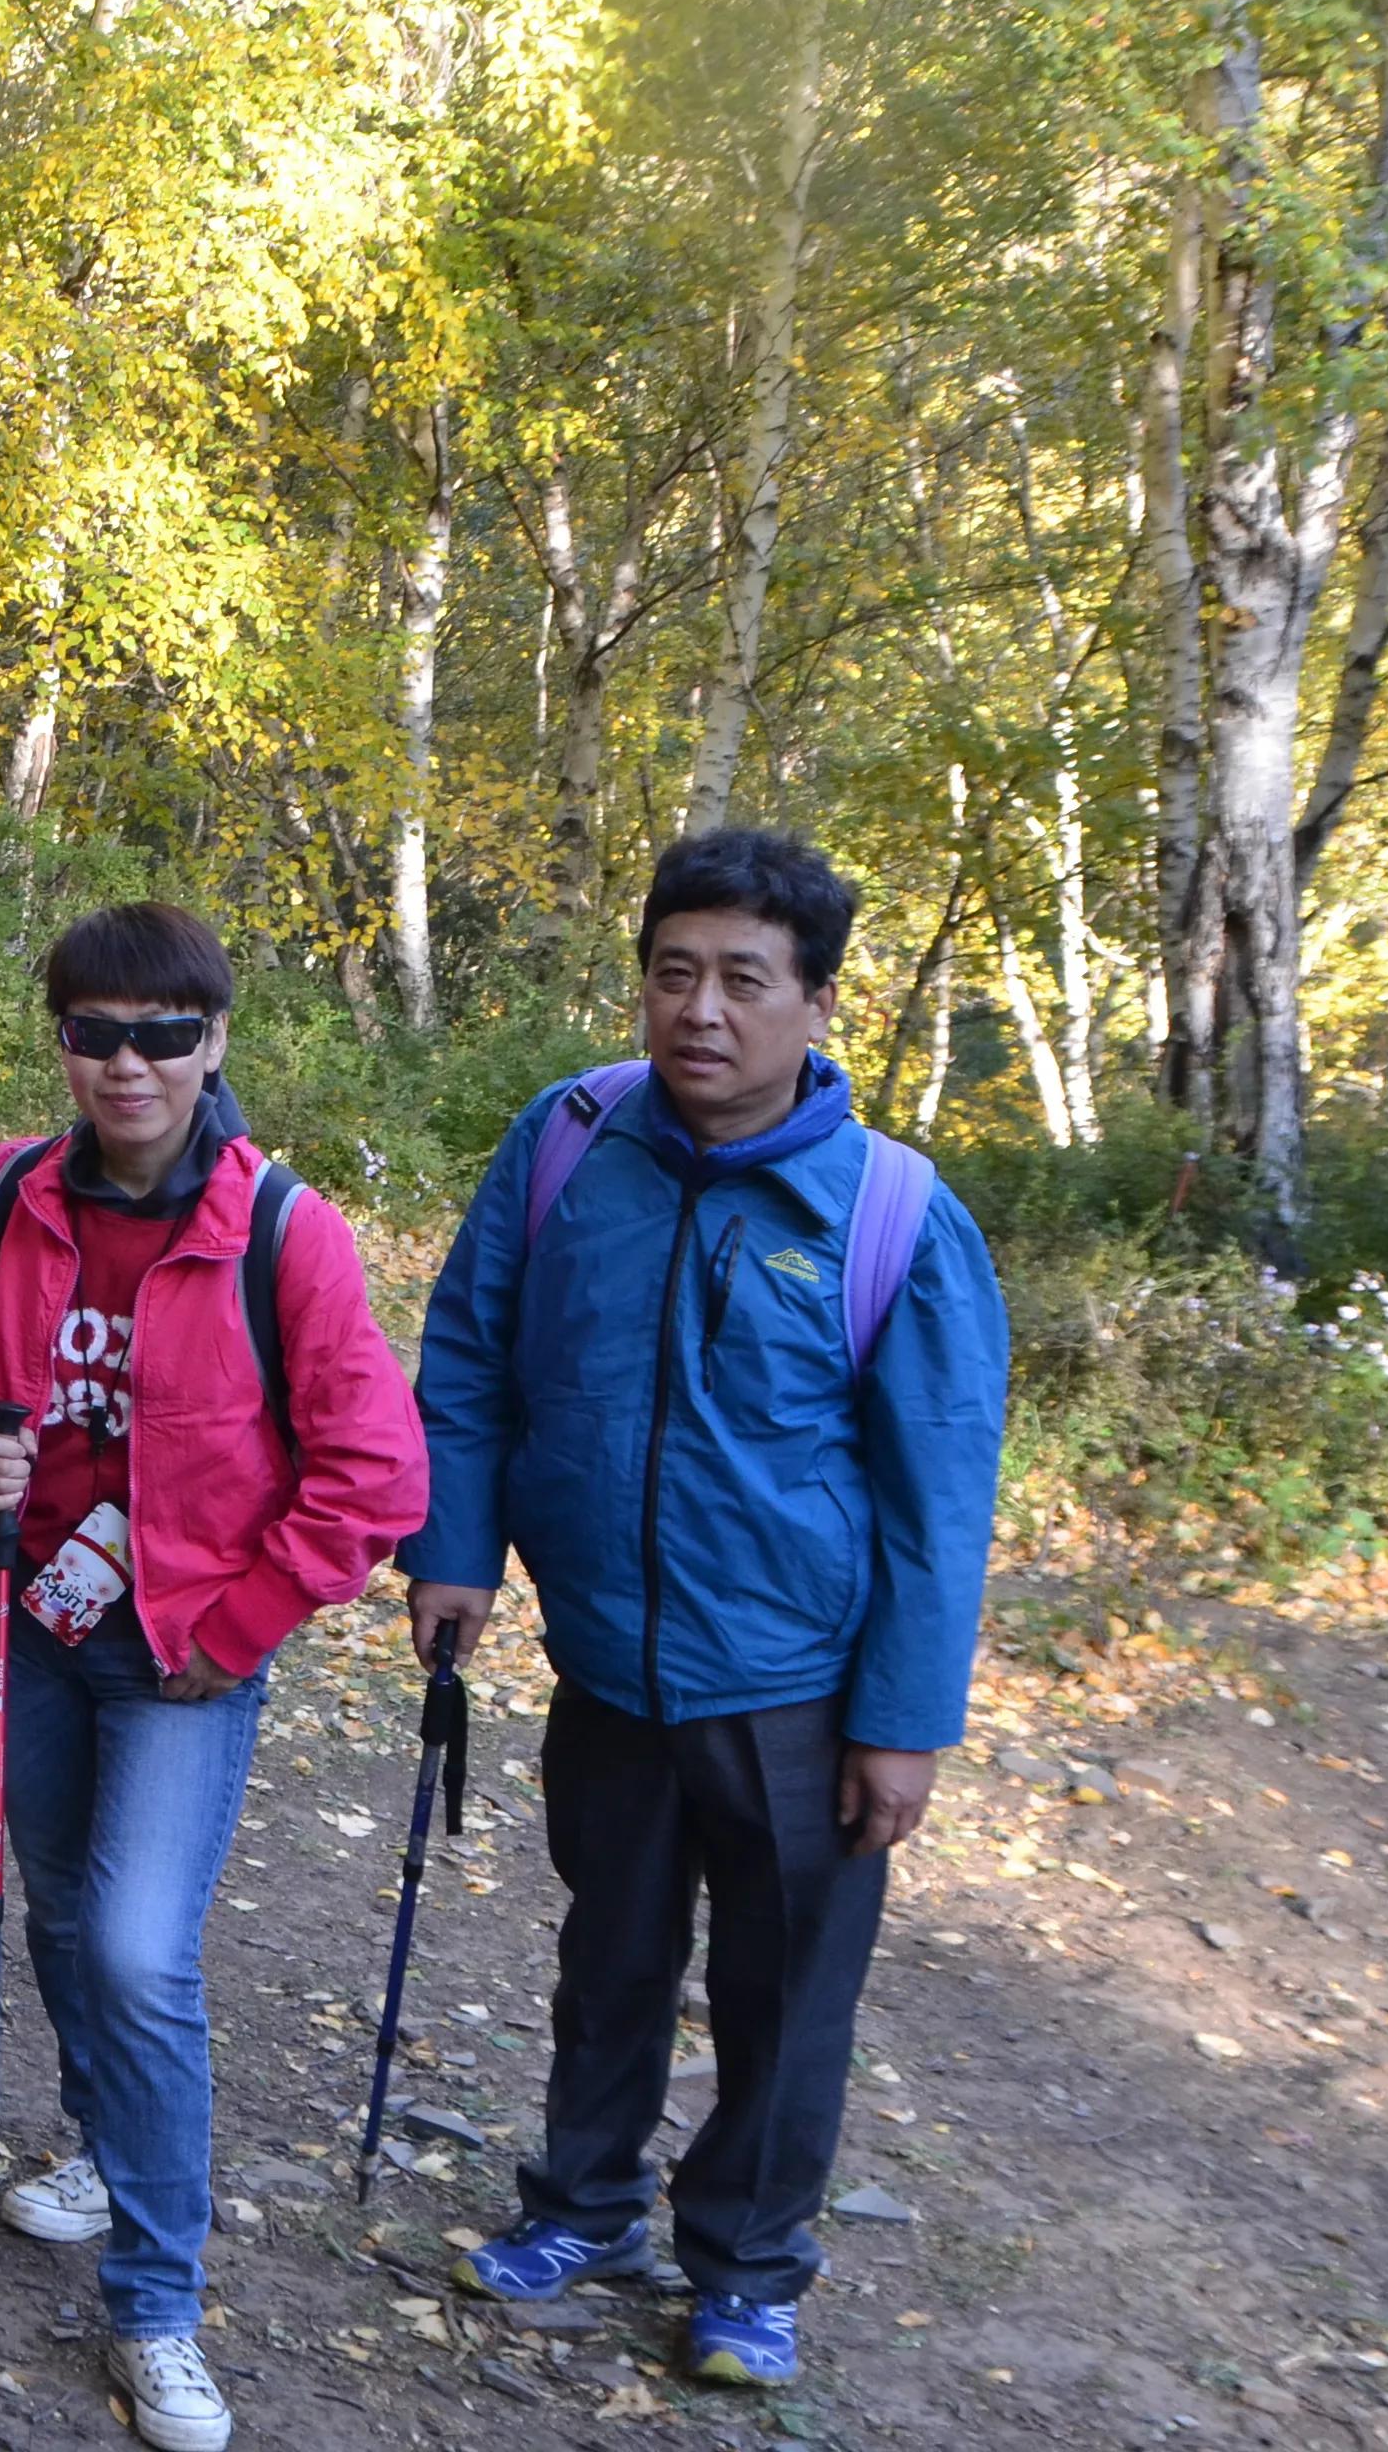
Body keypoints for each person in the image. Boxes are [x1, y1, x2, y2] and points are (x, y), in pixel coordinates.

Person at [404, 828, 1010, 2392]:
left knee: (786, 1991)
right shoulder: (568, 1144)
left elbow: (940, 1499)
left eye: (747, 979)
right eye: (675, 972)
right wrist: (453, 1548)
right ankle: (584, 2206)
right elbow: (469, 1354)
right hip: (607, 1665)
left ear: (816, 1003)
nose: (702, 1011)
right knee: (608, 1956)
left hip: (798, 1691)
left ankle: (744, 2271)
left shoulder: (891, 1216)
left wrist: (904, 1726)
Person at [0, 903, 427, 2452]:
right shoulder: (8, 1197)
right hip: (30, 1622)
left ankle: (157, 2304)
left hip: (184, 1655)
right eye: (95, 1033)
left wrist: (241, 1623)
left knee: (138, 1949)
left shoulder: (282, 1229)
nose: (128, 1065)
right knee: (58, 1906)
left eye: (164, 1035)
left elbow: (375, 1474)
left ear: (215, 1044)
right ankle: (97, 2133)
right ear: (60, 1039)